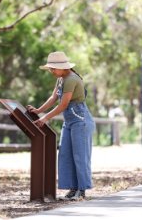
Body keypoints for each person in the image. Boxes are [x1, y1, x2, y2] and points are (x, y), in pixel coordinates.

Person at [27, 51, 96, 201]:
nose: (51, 71)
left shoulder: (71, 79)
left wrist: (44, 118)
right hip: (70, 121)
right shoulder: (61, 79)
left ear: (63, 67)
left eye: (53, 68)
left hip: (80, 120)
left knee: (80, 155)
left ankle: (81, 190)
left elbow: (63, 104)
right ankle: (72, 188)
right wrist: (38, 110)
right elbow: (54, 97)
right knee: (65, 154)